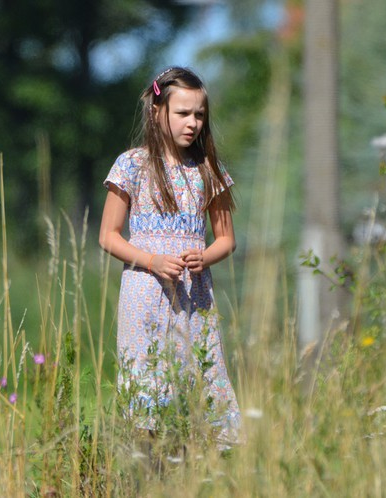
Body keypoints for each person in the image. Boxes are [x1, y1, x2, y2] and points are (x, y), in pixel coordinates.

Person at [99, 67, 241, 447]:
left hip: (194, 297)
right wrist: (152, 261)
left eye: (199, 115)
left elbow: (226, 239)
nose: (193, 123)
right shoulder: (130, 165)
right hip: (144, 294)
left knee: (197, 375)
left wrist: (205, 256)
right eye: (183, 113)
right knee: (147, 383)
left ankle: (199, 468)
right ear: (157, 112)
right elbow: (108, 236)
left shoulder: (209, 171)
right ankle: (148, 466)